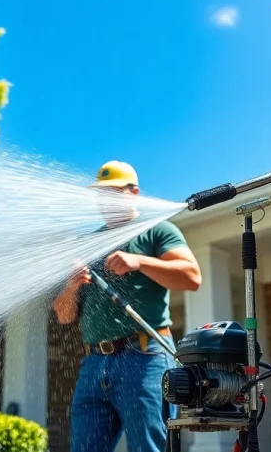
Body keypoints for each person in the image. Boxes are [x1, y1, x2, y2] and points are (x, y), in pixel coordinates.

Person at [52, 160, 201, 452]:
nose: (104, 200)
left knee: (149, 447)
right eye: (100, 194)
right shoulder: (88, 244)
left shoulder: (156, 231)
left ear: (134, 192)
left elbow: (192, 277)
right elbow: (64, 315)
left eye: (112, 192)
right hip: (93, 363)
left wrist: (140, 261)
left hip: (143, 359)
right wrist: (71, 287)